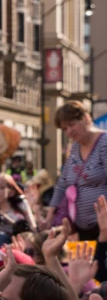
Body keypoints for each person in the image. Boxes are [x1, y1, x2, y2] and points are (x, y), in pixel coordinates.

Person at [47, 101, 107, 239]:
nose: (69, 131)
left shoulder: (104, 143)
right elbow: (63, 182)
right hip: (81, 227)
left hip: (103, 226)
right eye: (64, 128)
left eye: (71, 125)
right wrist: (51, 212)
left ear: (85, 118)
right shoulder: (74, 148)